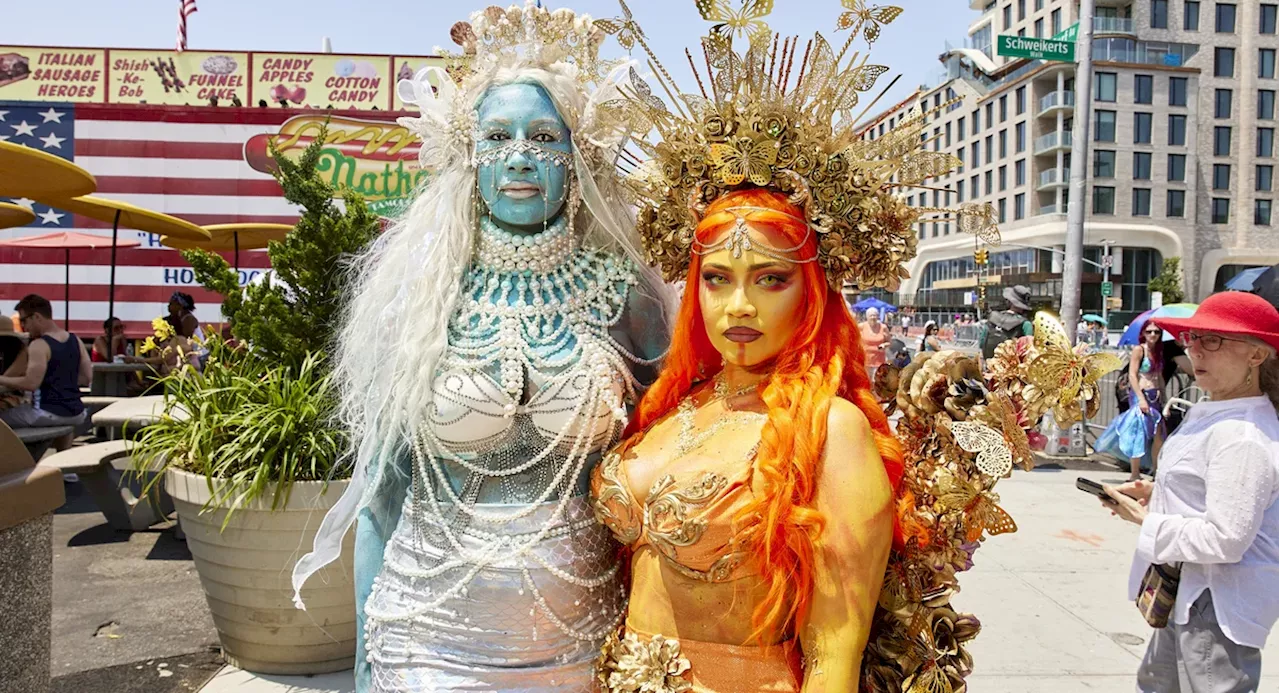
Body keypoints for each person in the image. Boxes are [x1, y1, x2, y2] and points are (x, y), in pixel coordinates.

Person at [289, 7, 671, 690]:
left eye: (544, 135)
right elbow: (380, 499)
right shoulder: (416, 294)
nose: (521, 155)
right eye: (498, 135)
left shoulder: (630, 296)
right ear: (468, 153)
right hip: (425, 637)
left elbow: (669, 470)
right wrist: (362, 661)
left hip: (585, 641)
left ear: (577, 157)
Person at [593, 189, 901, 692]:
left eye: (770, 280)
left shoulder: (830, 428)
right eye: (717, 279)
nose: (739, 306)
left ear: (812, 290)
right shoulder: (674, 406)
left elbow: (832, 655)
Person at [1100, 291, 1280, 693]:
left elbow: (1226, 539)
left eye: (1212, 340)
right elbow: (1208, 491)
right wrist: (1155, 491)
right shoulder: (1218, 409)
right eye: (1192, 338)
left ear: (1257, 355)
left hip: (1217, 603)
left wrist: (1147, 520)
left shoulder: (1243, 435)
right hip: (1189, 590)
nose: (1195, 349)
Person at [0, 295, 90, 429]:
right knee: (63, 425)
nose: (23, 326)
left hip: (44, 413)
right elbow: (86, 378)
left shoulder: (39, 345)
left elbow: (31, 383)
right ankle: (63, 450)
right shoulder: (75, 340)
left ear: (36, 317)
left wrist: (1, 379)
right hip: (76, 413)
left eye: (23, 320)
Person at [1097, 320, 1166, 481]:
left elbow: (1160, 376)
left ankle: (1156, 472)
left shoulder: (1158, 351)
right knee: (1138, 433)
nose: (1153, 335)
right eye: (1149, 332)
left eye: (1156, 332)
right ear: (1143, 333)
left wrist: (1164, 396)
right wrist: (1141, 399)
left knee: (1158, 435)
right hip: (1141, 394)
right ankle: (1135, 474)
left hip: (1155, 395)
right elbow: (1132, 375)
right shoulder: (1139, 349)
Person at [979, 285, 1034, 358]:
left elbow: (982, 342)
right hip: (1011, 366)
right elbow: (1029, 349)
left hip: (989, 364)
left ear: (1009, 301)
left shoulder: (993, 317)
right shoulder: (1025, 324)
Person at [860, 307, 890, 377]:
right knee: (865, 381)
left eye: (875, 315)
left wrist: (884, 345)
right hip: (865, 361)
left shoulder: (883, 327)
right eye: (871, 315)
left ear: (878, 316)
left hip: (879, 360)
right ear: (867, 317)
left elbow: (889, 342)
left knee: (877, 381)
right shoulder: (861, 326)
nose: (873, 317)